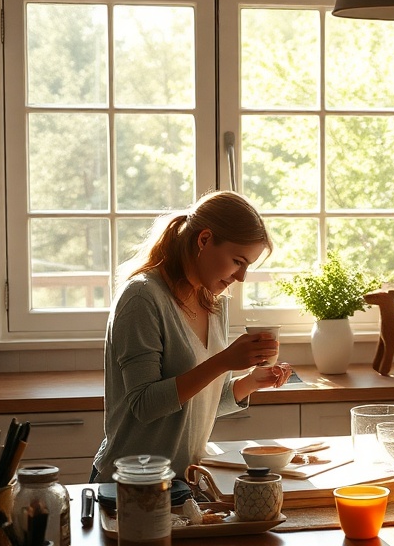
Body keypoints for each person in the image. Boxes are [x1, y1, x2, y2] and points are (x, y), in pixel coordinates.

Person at [91, 190, 292, 483]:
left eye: (248, 265)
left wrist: (252, 381)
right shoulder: (141, 298)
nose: (242, 277)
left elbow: (196, 403)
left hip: (184, 483)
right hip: (129, 486)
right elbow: (145, 405)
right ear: (204, 240)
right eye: (238, 261)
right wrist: (224, 362)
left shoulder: (214, 303)